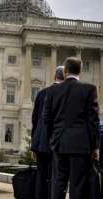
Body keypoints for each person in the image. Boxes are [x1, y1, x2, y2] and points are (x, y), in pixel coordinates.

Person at [43, 57, 100, 199]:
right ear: (80, 71)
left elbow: (47, 118)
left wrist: (53, 138)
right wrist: (95, 146)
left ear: (66, 70)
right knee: (78, 185)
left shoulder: (52, 91)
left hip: (59, 142)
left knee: (58, 184)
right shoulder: (89, 89)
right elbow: (93, 120)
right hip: (80, 145)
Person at [31, 66, 65, 199]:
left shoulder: (42, 93)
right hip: (58, 143)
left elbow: (35, 120)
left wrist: (34, 145)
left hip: (41, 142)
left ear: (54, 76)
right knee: (56, 178)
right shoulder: (66, 93)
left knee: (42, 177)